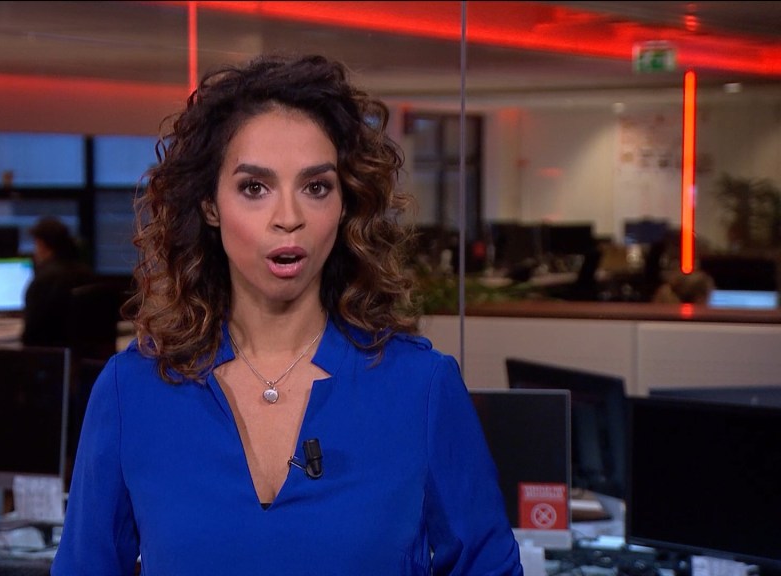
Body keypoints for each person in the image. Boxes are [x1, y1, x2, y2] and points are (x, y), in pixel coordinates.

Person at [52, 53, 523, 575]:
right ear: (210, 206)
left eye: (315, 187)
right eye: (254, 188)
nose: (289, 218)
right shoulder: (133, 391)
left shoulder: (421, 387)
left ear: (345, 204)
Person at [20, 216, 94, 347]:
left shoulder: (43, 281)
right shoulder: (86, 274)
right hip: (87, 353)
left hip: (50, 355)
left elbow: (30, 336)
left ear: (41, 244)